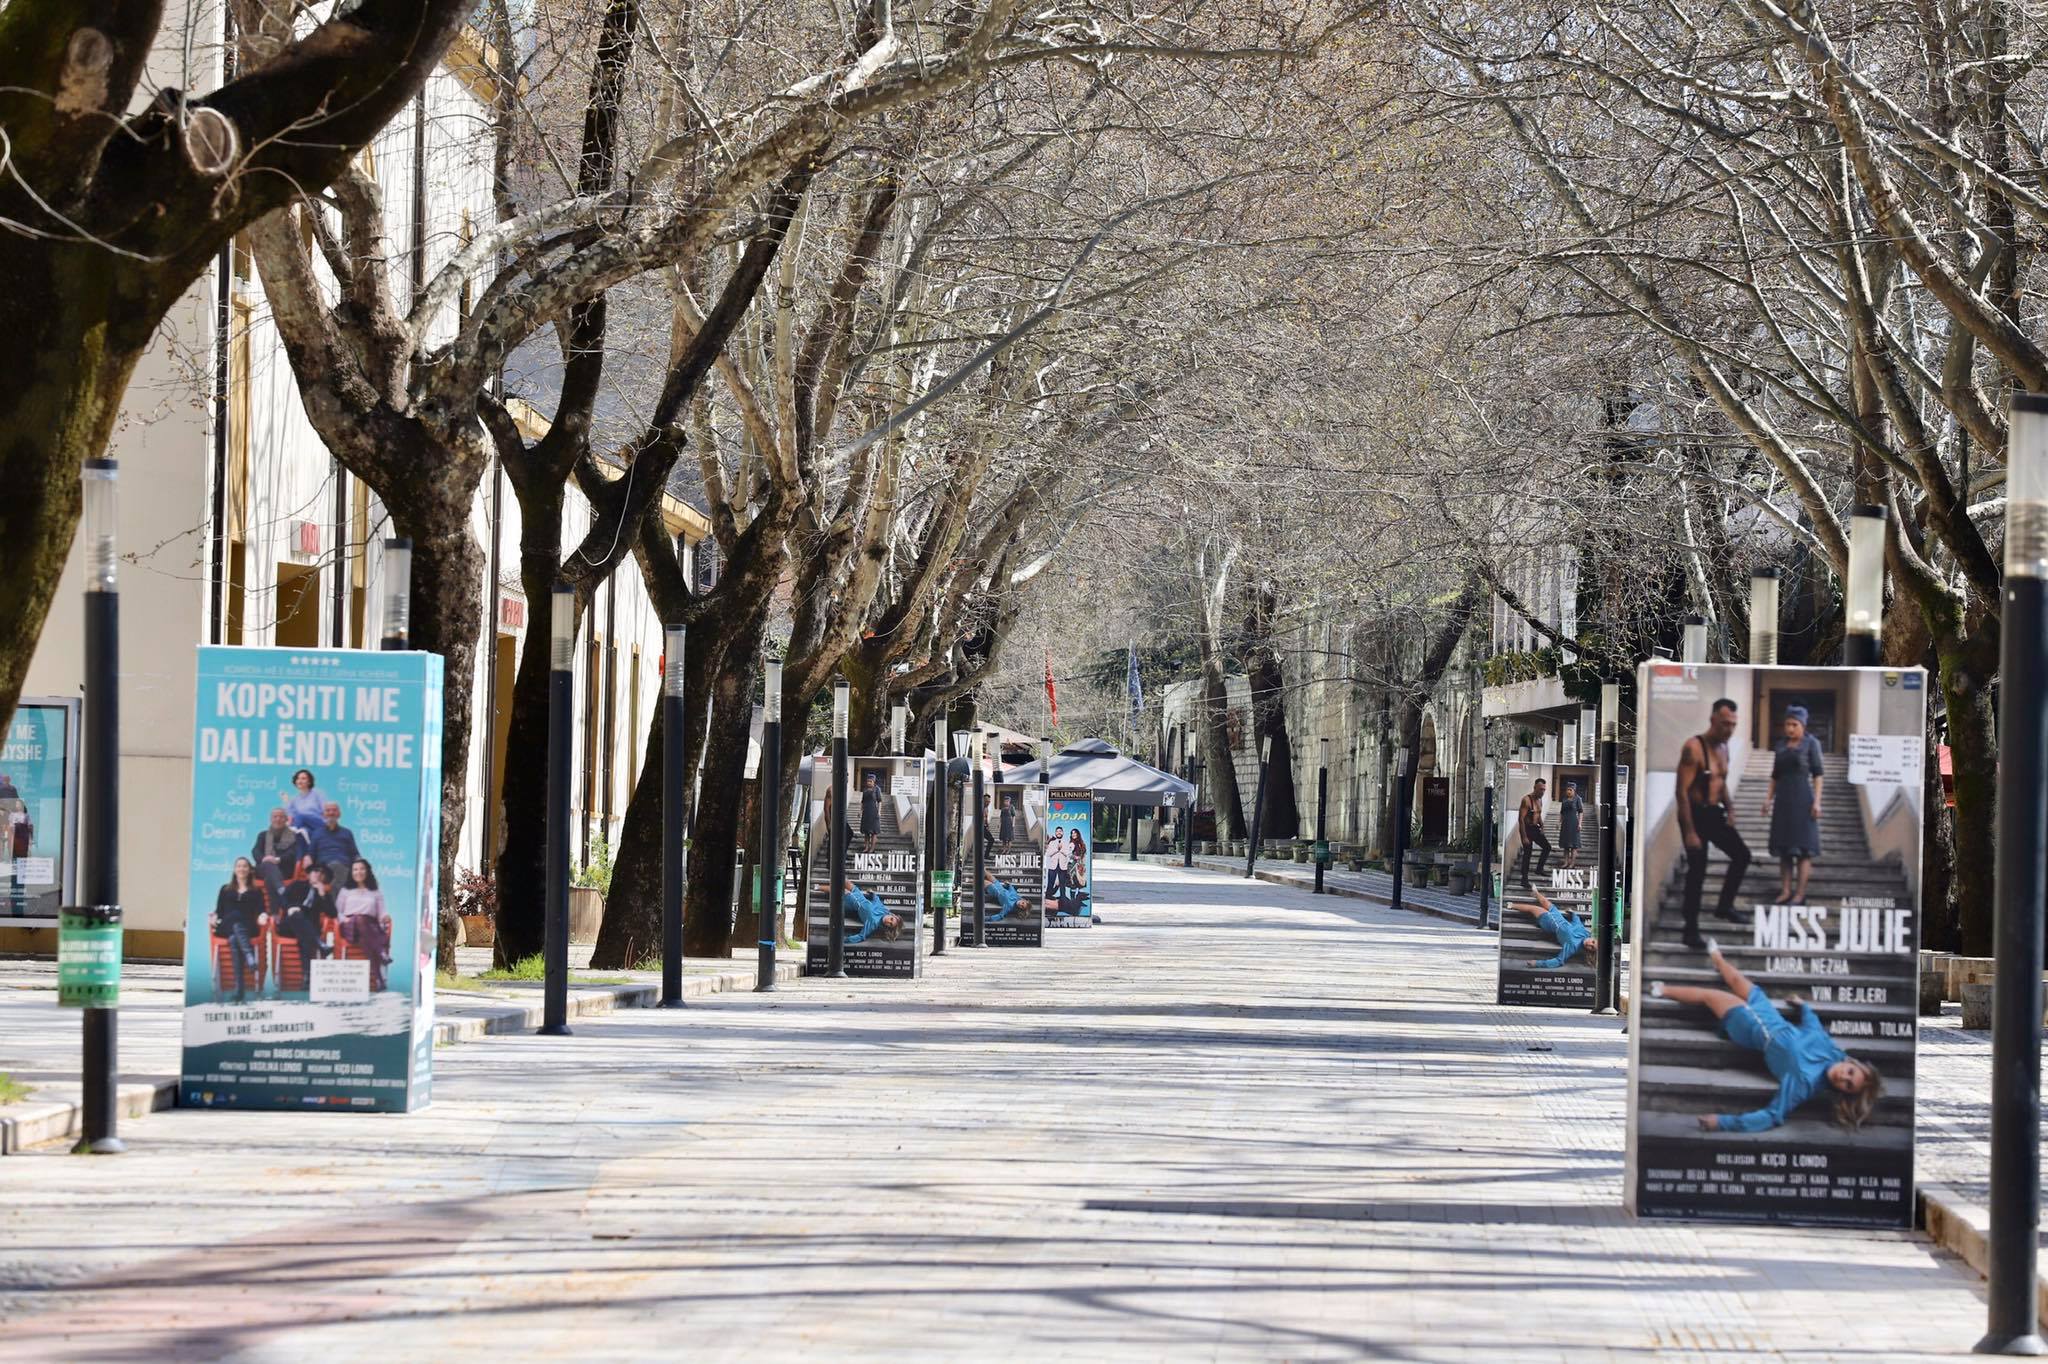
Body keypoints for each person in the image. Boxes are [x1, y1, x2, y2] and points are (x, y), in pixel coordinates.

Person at [1650, 939, 1882, 1133]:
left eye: (1848, 1085)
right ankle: (1718, 960)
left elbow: (1773, 1115)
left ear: (1843, 1092)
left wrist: (1722, 1123)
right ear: (1849, 1063)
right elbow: (1814, 1026)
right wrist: (1802, 1006)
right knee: (1739, 982)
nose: (1843, 1077)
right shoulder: (1830, 1051)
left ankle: (1662, 989)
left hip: (1754, 1028)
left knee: (1711, 996)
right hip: (1771, 1018)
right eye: (1850, 1072)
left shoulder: (1804, 1083)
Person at [1675, 697, 1753, 948]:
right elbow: (1681, 793)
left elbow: (1720, 785)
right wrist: (1689, 833)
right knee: (1698, 871)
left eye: (1732, 724)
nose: (1728, 729)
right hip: (1694, 815)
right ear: (1712, 720)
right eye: (1724, 724)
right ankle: (1690, 930)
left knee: (1742, 855)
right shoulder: (1694, 748)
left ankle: (1724, 906)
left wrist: (1730, 808)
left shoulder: (1724, 747)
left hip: (1714, 814)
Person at [1762, 705, 1825, 906]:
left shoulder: (1811, 743)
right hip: (1783, 802)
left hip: (1803, 801)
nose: (1790, 728)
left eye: (1794, 724)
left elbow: (1818, 774)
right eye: (1787, 724)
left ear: (1803, 725)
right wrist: (1768, 799)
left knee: (1803, 850)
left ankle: (1799, 894)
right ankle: (1785, 891)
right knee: (1784, 849)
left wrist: (1817, 802)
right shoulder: (1780, 745)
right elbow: (1775, 775)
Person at [212, 857, 267, 1004]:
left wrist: (263, 916)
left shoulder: (256, 891)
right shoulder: (225, 889)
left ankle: (239, 989)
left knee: (234, 939)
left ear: (249, 870)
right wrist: (214, 917)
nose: (241, 869)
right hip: (225, 926)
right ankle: (249, 955)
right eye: (239, 866)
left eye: (245, 866)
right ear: (235, 869)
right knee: (235, 915)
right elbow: (219, 911)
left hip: (248, 927)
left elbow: (262, 910)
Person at [334, 858, 392, 991]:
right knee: (359, 919)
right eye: (355, 869)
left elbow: (381, 912)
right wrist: (345, 920)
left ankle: (378, 980)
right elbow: (337, 912)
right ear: (351, 872)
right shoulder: (345, 891)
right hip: (349, 925)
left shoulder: (375, 891)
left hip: (369, 926)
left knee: (365, 935)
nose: (358, 872)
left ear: (367, 871)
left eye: (361, 869)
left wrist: (385, 917)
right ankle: (381, 952)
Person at [1503, 887, 1594, 969]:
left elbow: (1559, 961)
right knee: (1547, 903)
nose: (1589, 944)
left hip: (1550, 923)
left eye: (1591, 947)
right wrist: (1572, 913)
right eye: (1593, 942)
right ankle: (1536, 893)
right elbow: (1577, 922)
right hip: (1558, 917)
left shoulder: (1573, 947)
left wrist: (1537, 964)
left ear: (1589, 951)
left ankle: (1511, 905)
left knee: (1534, 908)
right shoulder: (1585, 933)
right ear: (1593, 938)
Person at [274, 865, 333, 983]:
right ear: (309, 874)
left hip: (308, 928)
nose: (318, 875)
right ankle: (319, 943)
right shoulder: (297, 885)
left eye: (322, 873)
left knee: (304, 934)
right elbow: (280, 899)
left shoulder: (323, 894)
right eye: (315, 871)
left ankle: (306, 977)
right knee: (296, 916)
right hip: (288, 926)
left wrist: (322, 894)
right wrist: (289, 907)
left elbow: (332, 913)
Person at [250, 807, 309, 907]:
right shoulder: (263, 835)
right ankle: (281, 889)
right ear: (271, 819)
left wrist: (277, 859)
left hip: (284, 870)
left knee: (270, 878)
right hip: (263, 869)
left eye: (281, 817)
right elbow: (255, 851)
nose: (278, 819)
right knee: (267, 865)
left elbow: (292, 853)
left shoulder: (293, 836)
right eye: (275, 817)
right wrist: (264, 859)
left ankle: (274, 913)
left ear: (286, 819)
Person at [306, 802, 362, 887]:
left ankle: (331, 896)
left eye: (334, 810)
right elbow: (311, 854)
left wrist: (361, 863)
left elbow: (355, 854)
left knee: (339, 867)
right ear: (323, 815)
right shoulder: (317, 833)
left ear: (339, 814)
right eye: (328, 811)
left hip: (344, 866)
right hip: (324, 868)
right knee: (335, 868)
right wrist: (308, 859)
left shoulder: (347, 833)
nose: (331, 813)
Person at [1515, 778, 1551, 889]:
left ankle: (1539, 869)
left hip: (1535, 829)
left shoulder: (1540, 800)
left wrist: (1542, 826)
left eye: (1544, 790)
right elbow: (1520, 819)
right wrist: (1524, 836)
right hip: (1527, 829)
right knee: (1527, 853)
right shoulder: (1526, 800)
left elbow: (1538, 814)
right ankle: (1524, 880)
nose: (1542, 792)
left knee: (1547, 847)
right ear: (1535, 788)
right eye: (1540, 789)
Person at [281, 768, 328, 842]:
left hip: (319, 823)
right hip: (305, 826)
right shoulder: (295, 799)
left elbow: (326, 810)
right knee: (302, 833)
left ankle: (291, 831)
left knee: (301, 816)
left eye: (303, 778)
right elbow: (292, 816)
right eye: (298, 778)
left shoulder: (317, 793)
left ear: (309, 782)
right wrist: (287, 802)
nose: (300, 781)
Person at [1558, 781, 1586, 870]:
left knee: (1574, 845)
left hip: (1574, 824)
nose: (1568, 791)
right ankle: (1566, 862)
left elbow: (1581, 812)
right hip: (1565, 824)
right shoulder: (1564, 799)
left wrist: (1580, 823)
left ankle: (1572, 863)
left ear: (1574, 790)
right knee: (1566, 845)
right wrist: (1559, 822)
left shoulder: (1578, 799)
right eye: (1567, 790)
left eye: (1570, 790)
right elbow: (1562, 812)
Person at [859, 771, 883, 854]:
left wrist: (879, 812)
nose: (869, 782)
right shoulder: (865, 790)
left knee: (873, 832)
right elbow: (863, 801)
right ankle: (866, 847)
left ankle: (872, 848)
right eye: (868, 781)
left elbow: (879, 801)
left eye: (870, 781)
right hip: (866, 812)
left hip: (873, 812)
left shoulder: (877, 789)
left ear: (874, 781)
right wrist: (860, 811)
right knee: (866, 832)